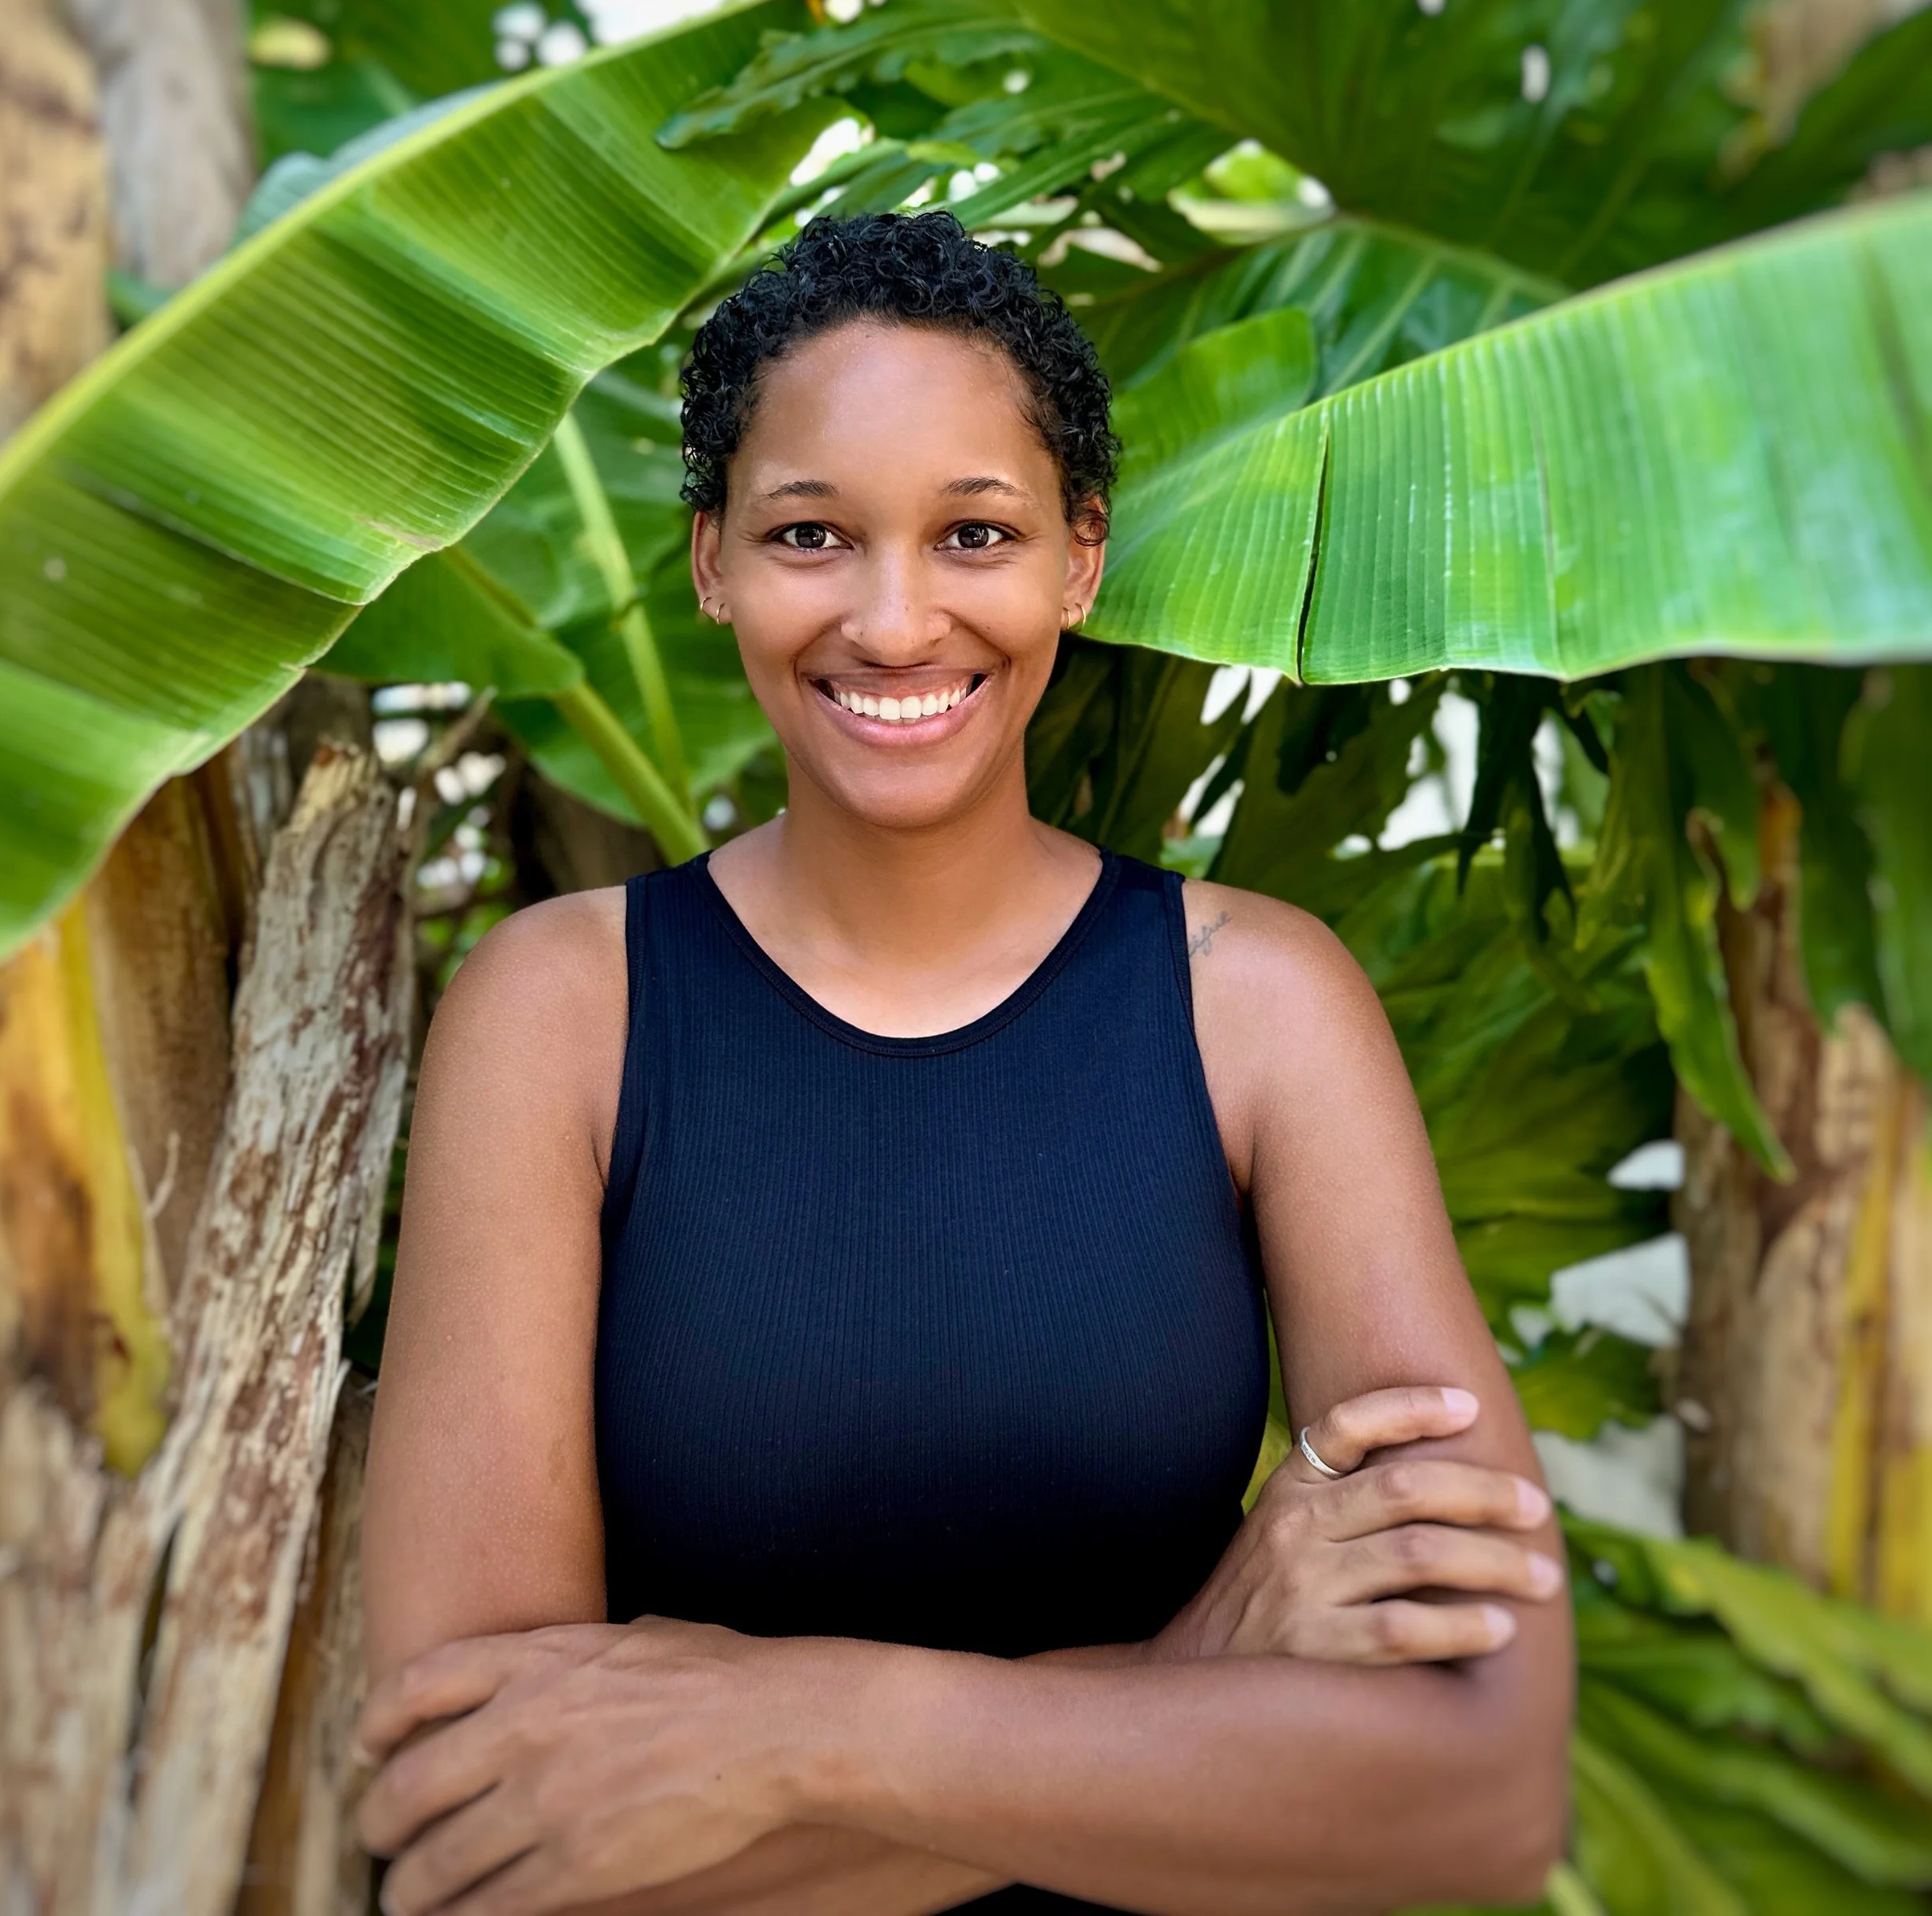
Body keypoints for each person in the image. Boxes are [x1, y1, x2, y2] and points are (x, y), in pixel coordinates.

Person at [357, 210, 1572, 1916]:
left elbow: (1479, 1786)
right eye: (808, 533)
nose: (895, 616)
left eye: (974, 531)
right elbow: (475, 1834)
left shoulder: (1255, 1005)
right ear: (709, 559)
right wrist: (1185, 1667)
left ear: (1077, 559)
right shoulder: (563, 1012)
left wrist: (795, 1731)